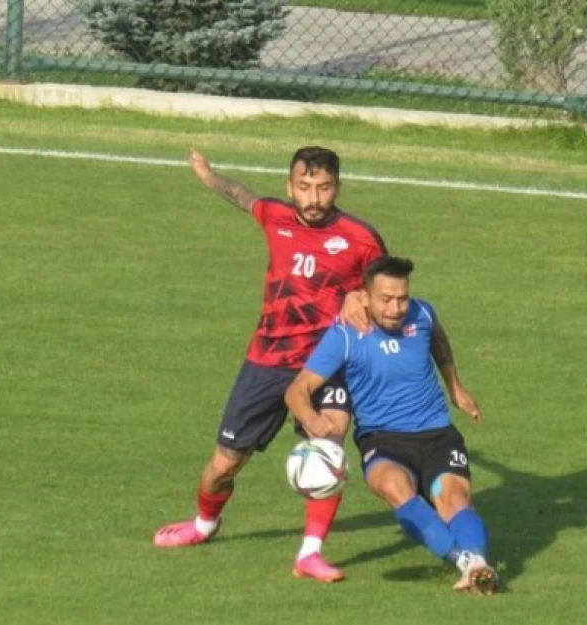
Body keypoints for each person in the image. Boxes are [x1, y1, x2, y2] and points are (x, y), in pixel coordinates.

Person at [153, 146, 388, 583]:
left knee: (328, 445)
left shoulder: (362, 238)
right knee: (223, 464)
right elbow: (242, 196)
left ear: (338, 186)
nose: (314, 198)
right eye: (304, 187)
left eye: (323, 188)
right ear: (289, 187)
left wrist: (363, 299)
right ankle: (204, 524)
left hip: (327, 361)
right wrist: (208, 176)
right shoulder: (274, 216)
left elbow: (387, 291)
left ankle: (310, 553)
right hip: (267, 359)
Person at [285, 256, 497, 595]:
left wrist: (455, 388)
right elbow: (297, 390)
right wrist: (313, 421)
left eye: (402, 298)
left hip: (437, 434)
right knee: (395, 487)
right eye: (386, 299)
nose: (397, 308)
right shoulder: (345, 335)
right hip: (382, 440)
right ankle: (465, 562)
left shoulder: (423, 314)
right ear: (365, 297)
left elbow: (439, 341)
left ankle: (479, 563)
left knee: (454, 498)